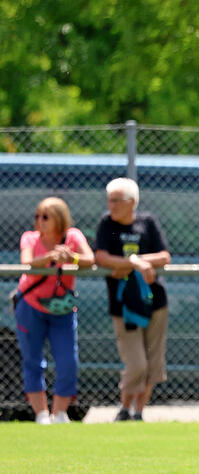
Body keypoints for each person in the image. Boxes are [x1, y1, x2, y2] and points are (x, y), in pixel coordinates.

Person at [95, 178, 171, 422]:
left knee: (152, 362)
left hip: (154, 301)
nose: (112, 205)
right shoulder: (107, 224)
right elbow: (102, 257)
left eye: (117, 200)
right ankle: (124, 407)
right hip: (123, 305)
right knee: (136, 363)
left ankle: (138, 412)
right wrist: (135, 263)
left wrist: (136, 262)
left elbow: (164, 256)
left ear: (132, 202)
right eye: (110, 200)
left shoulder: (147, 223)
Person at [14, 197, 94, 424]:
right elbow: (26, 261)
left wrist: (71, 257)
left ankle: (59, 413)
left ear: (59, 219)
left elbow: (90, 259)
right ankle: (41, 414)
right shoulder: (30, 238)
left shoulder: (73, 237)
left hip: (62, 309)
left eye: (45, 217)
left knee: (68, 361)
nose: (39, 221)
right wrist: (50, 257)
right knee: (32, 360)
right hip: (30, 305)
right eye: (37, 216)